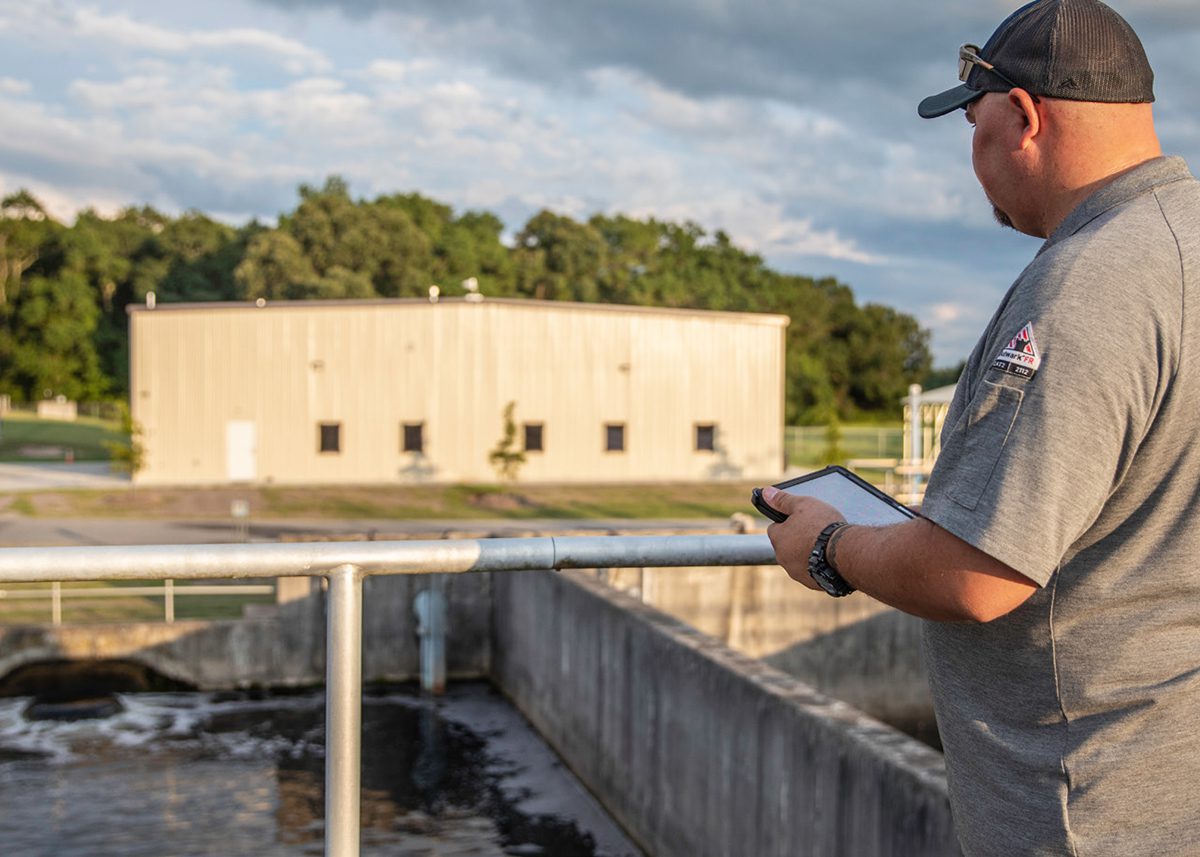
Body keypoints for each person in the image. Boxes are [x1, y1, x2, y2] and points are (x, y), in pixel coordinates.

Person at [760, 1, 1200, 854]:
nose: (974, 154)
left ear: (1024, 116)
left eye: (973, 121)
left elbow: (977, 573)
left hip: (1086, 808)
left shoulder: (1087, 282)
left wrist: (830, 545)